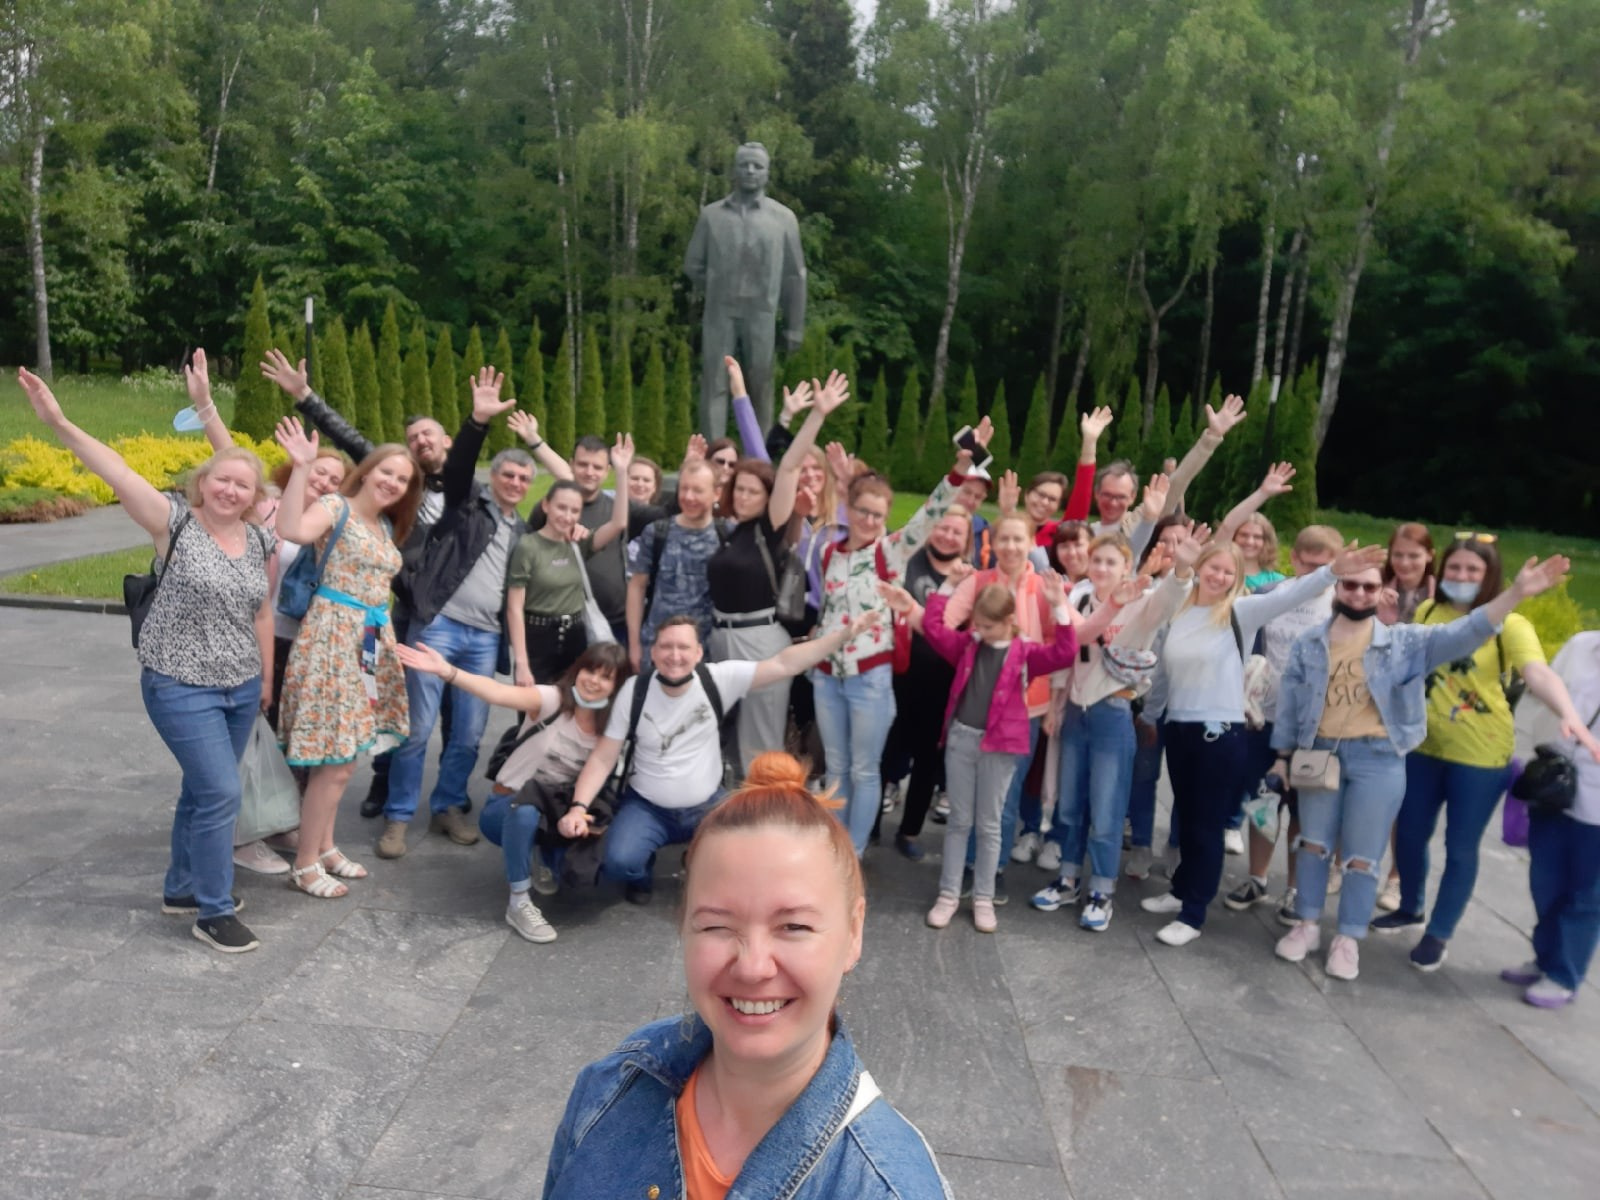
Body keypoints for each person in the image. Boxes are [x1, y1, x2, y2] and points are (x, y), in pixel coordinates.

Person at [542, 752, 950, 1200]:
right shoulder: (616, 1083)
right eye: (717, 926)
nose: (753, 967)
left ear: (853, 932)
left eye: (794, 926)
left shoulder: (887, 1188)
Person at [18, 363, 274, 954]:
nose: (231, 490)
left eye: (242, 485)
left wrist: (264, 676)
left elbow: (262, 610)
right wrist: (59, 422)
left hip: (239, 685)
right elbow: (114, 468)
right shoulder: (173, 523)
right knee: (220, 794)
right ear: (202, 483)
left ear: (253, 496)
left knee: (202, 790)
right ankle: (213, 911)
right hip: (179, 684)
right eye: (221, 480)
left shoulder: (257, 536)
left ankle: (183, 888)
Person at [1270, 552, 1578, 980]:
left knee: (1362, 856)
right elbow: (1290, 703)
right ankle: (1306, 924)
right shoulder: (1309, 643)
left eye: (1369, 586)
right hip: (1319, 754)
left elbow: (1464, 632)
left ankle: (1348, 937)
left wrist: (1516, 594)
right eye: (1350, 585)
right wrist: (1282, 757)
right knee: (1313, 844)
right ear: (1337, 588)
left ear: (1382, 592)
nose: (1358, 593)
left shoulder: (1405, 643)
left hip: (1378, 759)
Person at [1139, 537, 1385, 947]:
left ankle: (1193, 913)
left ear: (1237, 578)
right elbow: (1163, 671)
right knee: (1188, 814)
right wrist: (1150, 715)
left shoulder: (1241, 611)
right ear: (1200, 567)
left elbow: (1292, 594)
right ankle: (1181, 889)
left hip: (1219, 733)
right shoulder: (1180, 611)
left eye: (1229, 572)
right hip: (1180, 729)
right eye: (1213, 567)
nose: (1219, 576)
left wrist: (1333, 571)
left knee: (1206, 824)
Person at [1373, 534, 1600, 971]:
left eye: (1472, 570)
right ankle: (1410, 906)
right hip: (1421, 747)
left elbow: (1537, 672)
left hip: (1480, 757)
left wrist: (1568, 712)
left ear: (1489, 575)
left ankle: (1439, 932)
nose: (1462, 576)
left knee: (1461, 847)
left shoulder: (1510, 624)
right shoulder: (1428, 610)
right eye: (1455, 568)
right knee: (1410, 833)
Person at [562, 610, 883, 903]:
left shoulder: (717, 679)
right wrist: (578, 807)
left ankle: (699, 856)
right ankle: (642, 871)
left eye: (684, 647)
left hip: (706, 805)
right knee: (619, 862)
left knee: (747, 861)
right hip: (647, 806)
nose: (675, 655)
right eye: (666, 646)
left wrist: (843, 635)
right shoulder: (635, 690)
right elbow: (603, 758)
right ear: (654, 651)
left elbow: (785, 664)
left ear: (699, 653)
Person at [811, 425, 988, 855]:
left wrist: (960, 468)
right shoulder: (829, 552)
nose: (869, 521)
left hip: (869, 678)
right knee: (836, 767)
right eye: (862, 511)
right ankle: (834, 846)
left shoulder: (889, 552)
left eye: (878, 514)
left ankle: (852, 852)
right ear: (848, 508)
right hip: (827, 676)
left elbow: (930, 513)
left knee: (864, 769)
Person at [381, 370, 531, 859]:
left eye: (523, 479)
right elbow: (460, 464)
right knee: (418, 729)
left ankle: (447, 806)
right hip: (439, 625)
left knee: (467, 734)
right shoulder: (467, 503)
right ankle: (398, 817)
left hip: (484, 639)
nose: (515, 483)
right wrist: (477, 422)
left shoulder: (523, 530)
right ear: (493, 478)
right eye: (507, 475)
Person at [394, 639, 633, 943]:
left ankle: (541, 854)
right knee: (525, 812)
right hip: (507, 805)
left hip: (556, 811)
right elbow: (497, 692)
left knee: (587, 869)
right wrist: (448, 671)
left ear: (616, 687)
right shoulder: (552, 699)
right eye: (590, 671)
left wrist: (578, 811)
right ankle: (519, 902)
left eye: (606, 677)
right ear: (578, 670)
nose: (594, 681)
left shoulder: (610, 726)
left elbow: (599, 770)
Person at [272, 418, 421, 898]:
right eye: (387, 472)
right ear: (368, 470)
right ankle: (304, 863)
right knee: (332, 761)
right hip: (332, 640)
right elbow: (290, 528)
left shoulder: (383, 525)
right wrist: (301, 468)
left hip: (370, 643)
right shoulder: (335, 507)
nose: (392, 482)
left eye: (402, 479)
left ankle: (326, 846)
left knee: (349, 752)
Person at [888, 576, 1083, 932]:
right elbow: (935, 629)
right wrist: (946, 588)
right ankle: (948, 894)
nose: (980, 631)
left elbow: (1065, 653)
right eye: (976, 624)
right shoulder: (969, 644)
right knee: (959, 822)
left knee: (990, 824)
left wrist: (1059, 606)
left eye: (987, 626)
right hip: (962, 739)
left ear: (1008, 620)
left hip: (1001, 746)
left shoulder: (1024, 652)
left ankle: (983, 897)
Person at [1031, 529, 1194, 929]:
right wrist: (1056, 705)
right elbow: (1067, 654)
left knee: (1106, 810)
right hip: (1076, 713)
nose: (1102, 568)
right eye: (1097, 560)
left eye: (1111, 562)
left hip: (1112, 713)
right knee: (1071, 805)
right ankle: (1068, 878)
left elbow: (1170, 597)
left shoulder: (1141, 602)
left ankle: (1102, 890)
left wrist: (1183, 569)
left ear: (1126, 567)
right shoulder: (1078, 598)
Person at [707, 359, 845, 773]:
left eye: (754, 491)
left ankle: (763, 809)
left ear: (770, 498)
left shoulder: (771, 526)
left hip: (759, 641)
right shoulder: (732, 530)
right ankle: (731, 806)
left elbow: (788, 466)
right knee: (725, 740)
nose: (744, 496)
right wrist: (737, 390)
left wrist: (817, 415)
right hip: (721, 639)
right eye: (740, 489)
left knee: (758, 745)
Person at [1221, 525, 1344, 923]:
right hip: (1265, 718)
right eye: (1308, 565)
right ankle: (1257, 878)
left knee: (1303, 811)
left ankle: (1294, 888)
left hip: (1313, 727)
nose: (1316, 574)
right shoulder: (1272, 594)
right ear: (1293, 559)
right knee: (1263, 801)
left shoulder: (1342, 603)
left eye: (1325, 567)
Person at [684, 141, 807, 435]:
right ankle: (713, 454)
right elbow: (692, 265)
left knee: (760, 386)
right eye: (744, 165)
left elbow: (796, 276)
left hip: (762, 314)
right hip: (720, 314)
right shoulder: (712, 215)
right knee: (714, 384)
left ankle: (759, 455)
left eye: (757, 166)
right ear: (734, 171)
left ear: (767, 173)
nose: (750, 170)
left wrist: (794, 327)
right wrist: (718, 288)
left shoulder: (783, 218)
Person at [1507, 631, 1600, 1008]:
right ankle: (1545, 957)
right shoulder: (1581, 646)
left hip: (1596, 804)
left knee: (1586, 894)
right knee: (1544, 880)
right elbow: (1544, 691)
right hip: (1554, 782)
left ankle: (1565, 974)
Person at [878, 507, 974, 859]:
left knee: (927, 762)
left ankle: (909, 831)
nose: (947, 536)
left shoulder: (970, 578)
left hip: (942, 683)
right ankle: (869, 824)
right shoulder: (908, 562)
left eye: (956, 532)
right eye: (942, 527)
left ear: (967, 540)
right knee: (886, 753)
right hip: (898, 675)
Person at [515, 426, 667, 646]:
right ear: (571, 464)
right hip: (560, 622)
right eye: (583, 464)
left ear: (607, 471)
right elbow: (528, 556)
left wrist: (623, 470)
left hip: (614, 621)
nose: (589, 472)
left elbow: (628, 520)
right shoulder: (550, 510)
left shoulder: (618, 507)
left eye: (597, 467)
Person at [505, 437, 635, 686]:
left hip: (575, 638)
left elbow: (618, 523)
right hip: (538, 640)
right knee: (535, 705)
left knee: (573, 702)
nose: (567, 516)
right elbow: (514, 608)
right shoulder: (528, 546)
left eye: (574, 511)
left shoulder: (578, 544)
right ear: (546, 505)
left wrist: (621, 471)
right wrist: (521, 663)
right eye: (561, 508)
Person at [628, 455, 725, 668]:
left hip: (706, 651)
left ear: (716, 493)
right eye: (684, 488)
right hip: (657, 648)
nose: (689, 497)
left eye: (698, 490)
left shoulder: (726, 535)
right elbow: (637, 586)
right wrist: (634, 644)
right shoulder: (656, 533)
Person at [1377, 522, 1436, 626]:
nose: (1404, 563)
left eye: (1413, 556)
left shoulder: (1442, 593)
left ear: (1429, 555)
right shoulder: (1371, 586)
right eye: (1398, 555)